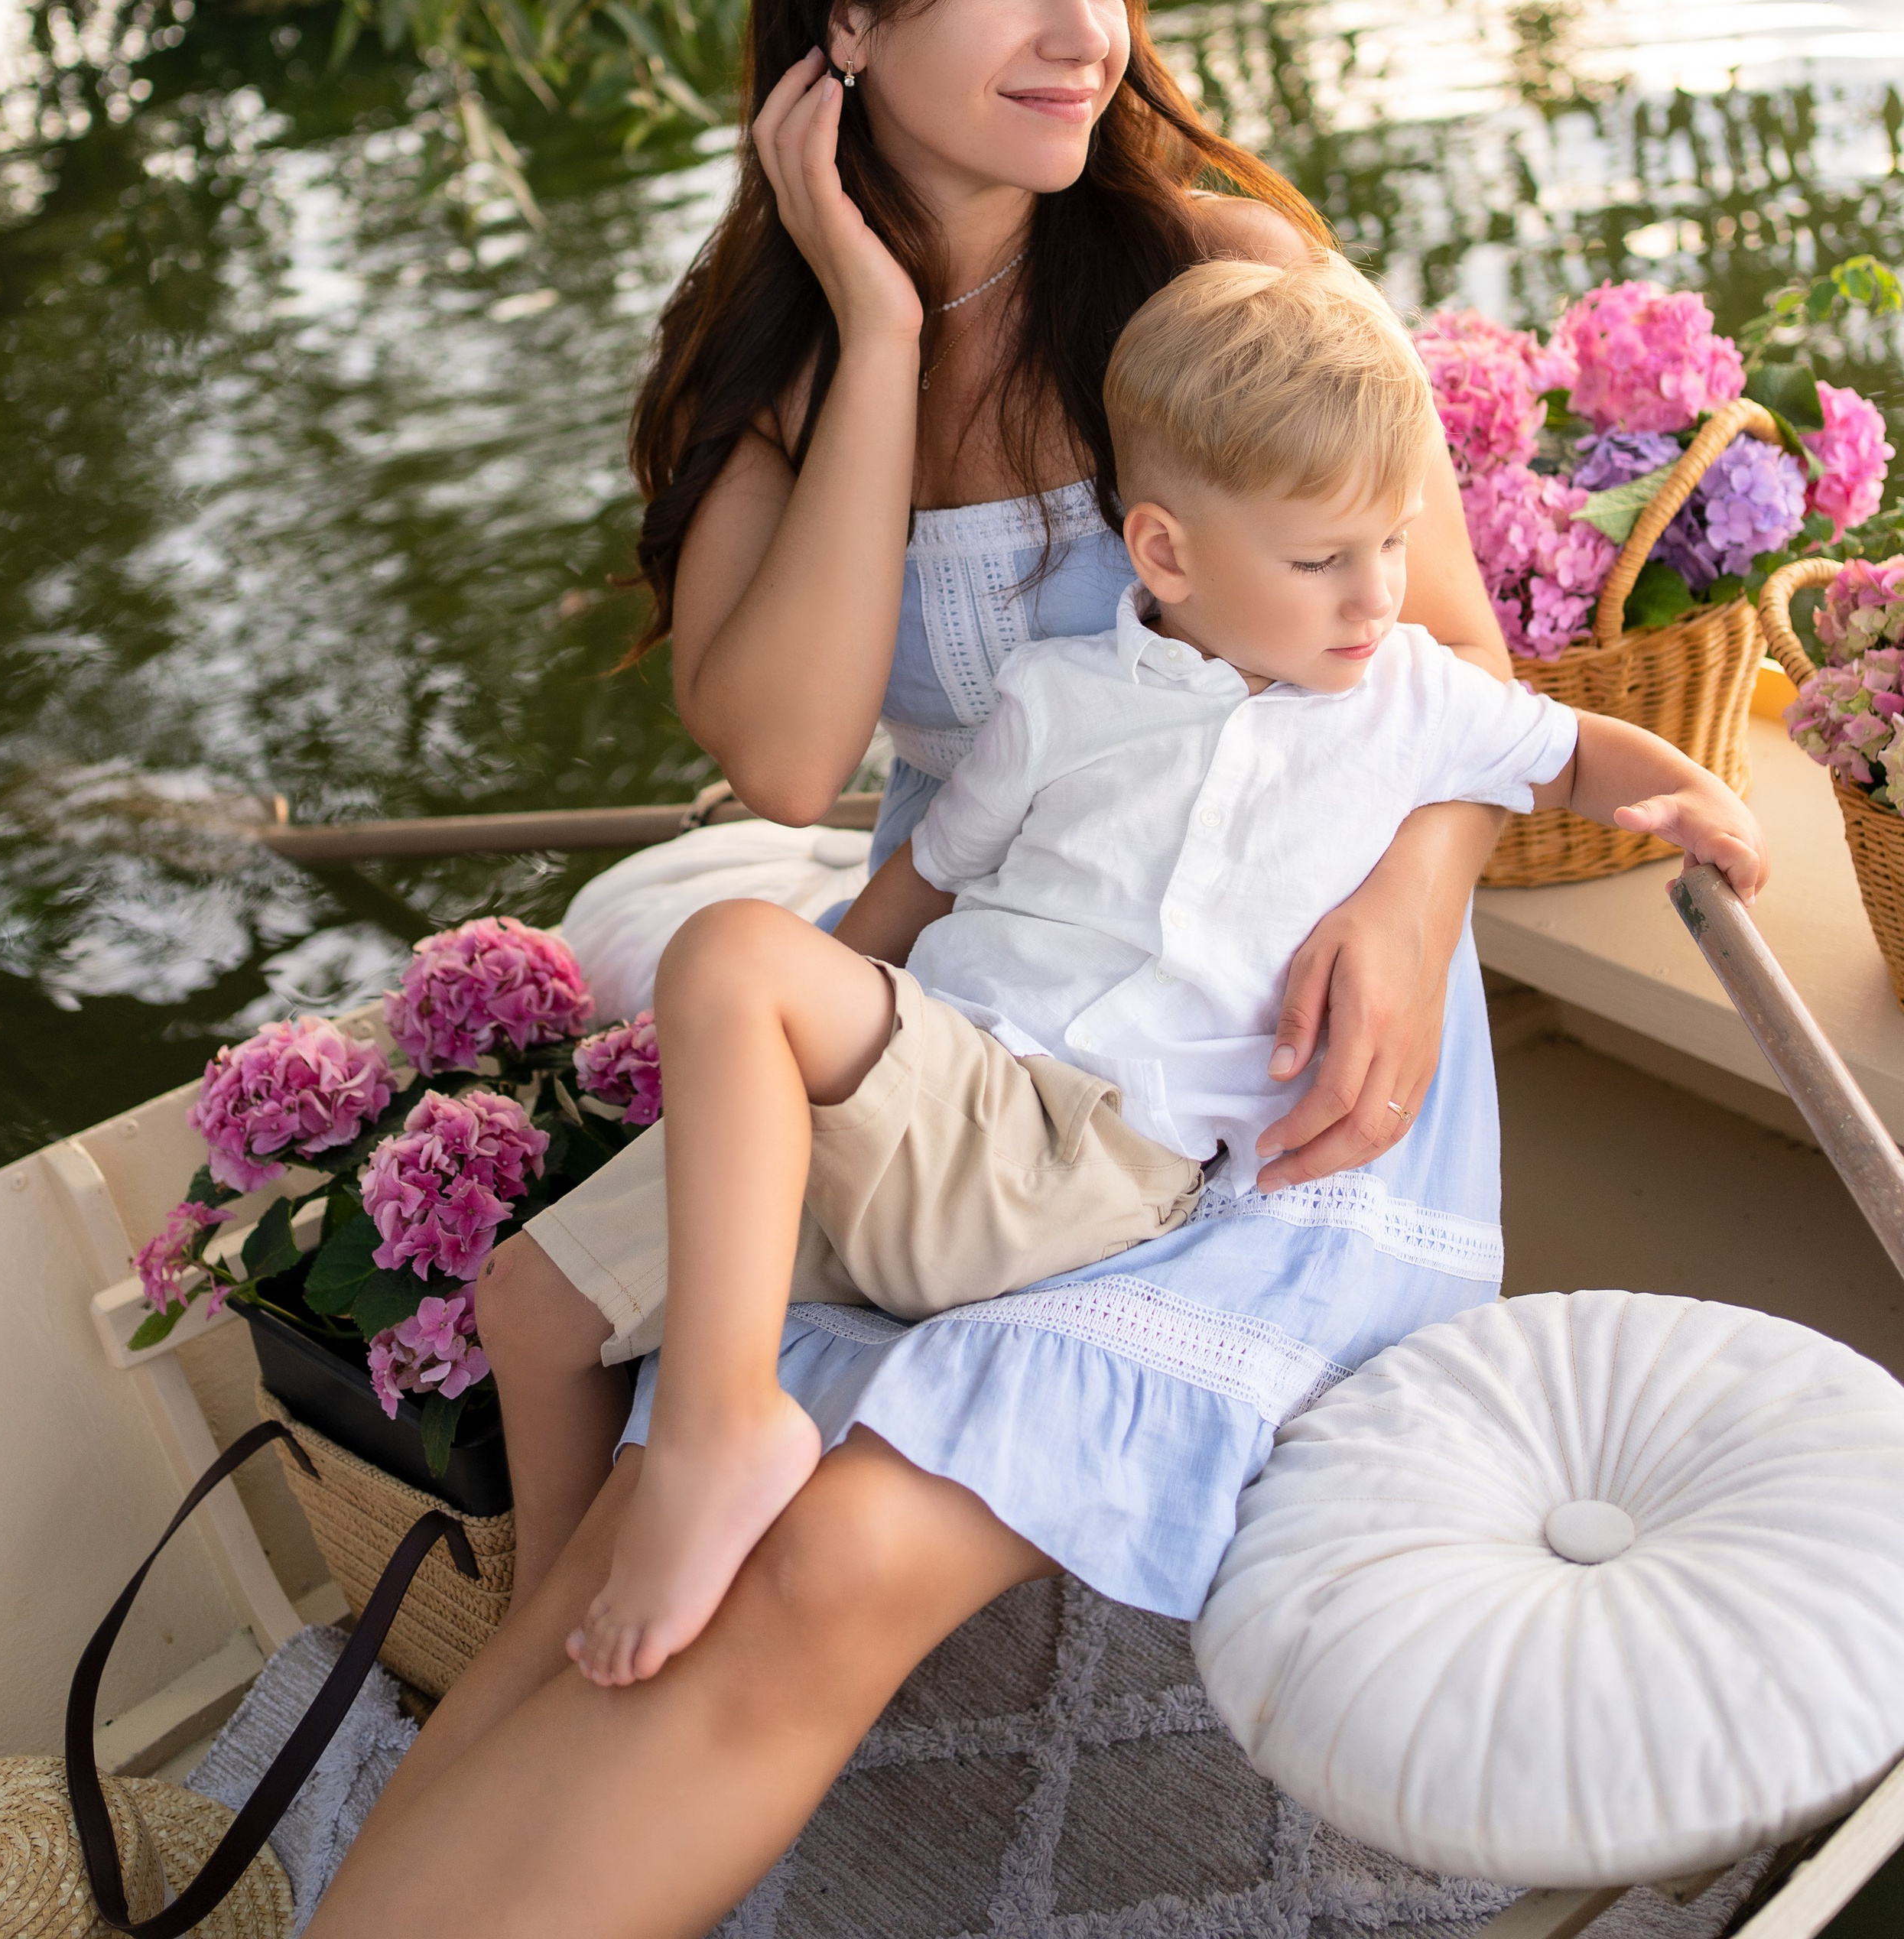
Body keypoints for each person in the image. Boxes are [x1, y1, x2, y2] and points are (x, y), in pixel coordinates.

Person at [308, 0, 1532, 1939]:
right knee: (646, 1563)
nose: (1089, 38)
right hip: (978, 1022)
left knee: (836, 1557)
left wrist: (1416, 897)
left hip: (1256, 1069)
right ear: (846, 23)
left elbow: (1454, 695)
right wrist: (877, 327)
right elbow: (783, 760)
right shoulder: (766, 361)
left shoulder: (1224, 285)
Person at [547, 252, 1766, 1690]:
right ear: (1168, 554)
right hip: (934, 1098)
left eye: (1391, 542)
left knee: (734, 952)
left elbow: (1565, 752)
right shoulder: (1059, 701)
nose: (1378, 596)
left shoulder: (1406, 700)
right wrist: (770, 1045)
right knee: (536, 1303)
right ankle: (557, 1646)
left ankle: (718, 1434)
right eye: (1324, 561)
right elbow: (922, 885)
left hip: (1079, 1153)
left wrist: (1692, 796)